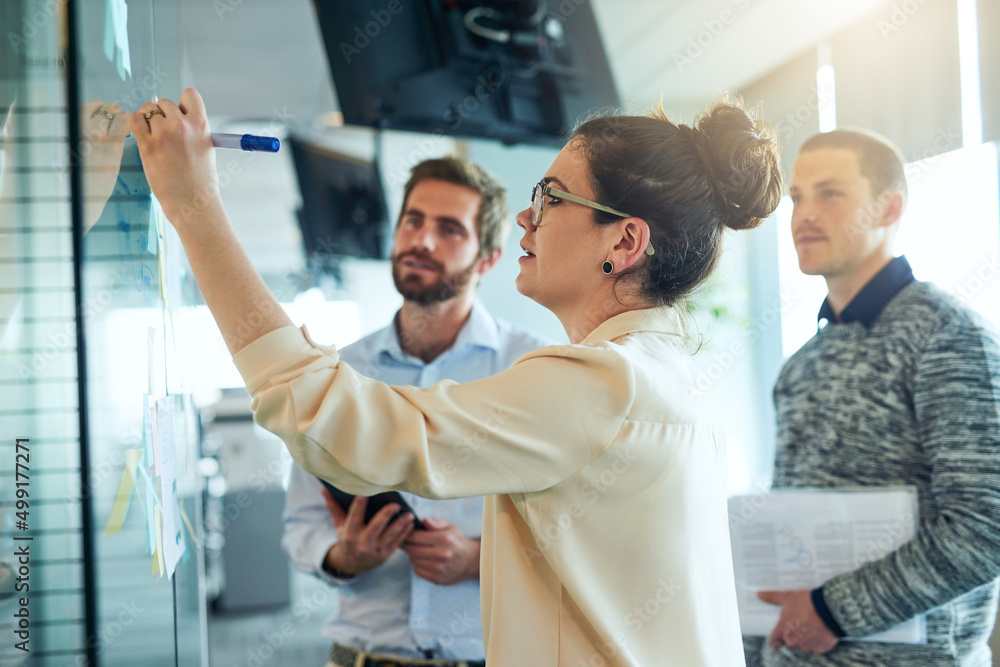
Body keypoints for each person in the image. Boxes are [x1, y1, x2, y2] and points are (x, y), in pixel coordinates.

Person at [129, 88, 782, 666]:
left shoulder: (600, 384)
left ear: (624, 244)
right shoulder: (670, 375)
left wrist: (194, 205)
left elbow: (330, 426)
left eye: (550, 196)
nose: (529, 216)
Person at [281, 156, 552, 667]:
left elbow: (574, 529)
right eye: (413, 221)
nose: (422, 241)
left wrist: (480, 560)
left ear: (488, 258)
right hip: (363, 656)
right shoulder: (342, 375)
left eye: (449, 229)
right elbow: (301, 523)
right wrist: (343, 557)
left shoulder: (532, 371)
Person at [744, 129, 1000, 666]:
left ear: (889, 208)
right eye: (797, 197)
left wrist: (834, 612)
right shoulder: (801, 364)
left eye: (830, 193)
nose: (803, 215)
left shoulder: (950, 336)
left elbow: (986, 524)